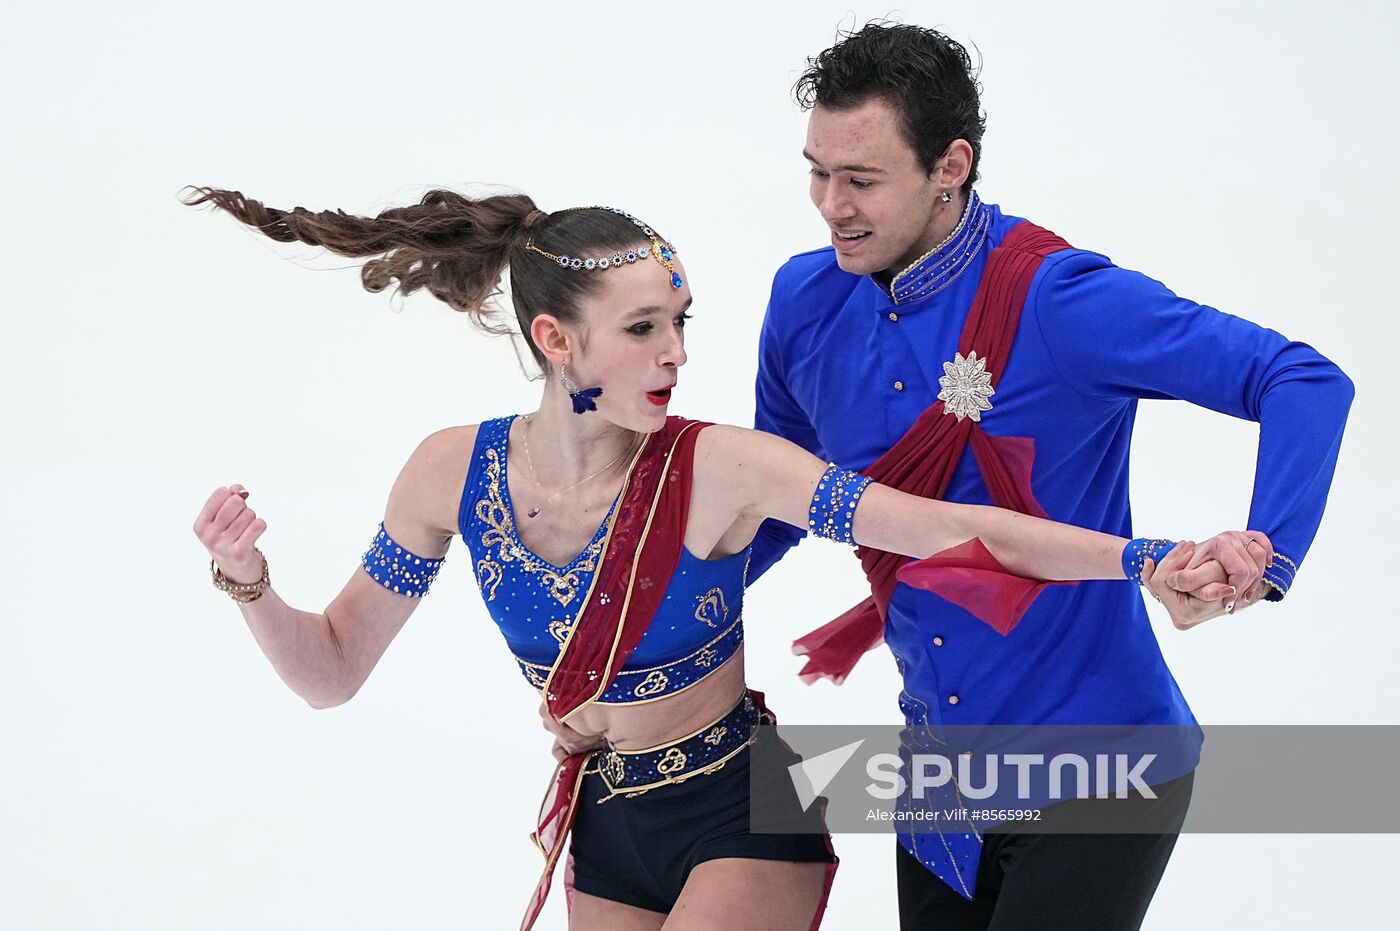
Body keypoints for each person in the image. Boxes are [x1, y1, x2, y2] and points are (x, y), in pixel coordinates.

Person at [186, 187, 1242, 931]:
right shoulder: (447, 472)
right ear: (557, 342)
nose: (677, 353)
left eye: (682, 323)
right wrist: (250, 584)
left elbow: (944, 526)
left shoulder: (725, 469)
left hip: (740, 808)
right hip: (608, 816)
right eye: (643, 328)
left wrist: (1146, 558)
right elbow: (330, 669)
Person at [749, 22, 1355, 931]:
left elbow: (1303, 379)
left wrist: (1261, 557)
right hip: (939, 779)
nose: (830, 205)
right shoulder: (803, 302)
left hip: (1104, 767)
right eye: (817, 172)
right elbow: (777, 500)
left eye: (862, 179)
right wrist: (639, 617)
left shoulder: (1063, 300)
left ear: (950, 165)